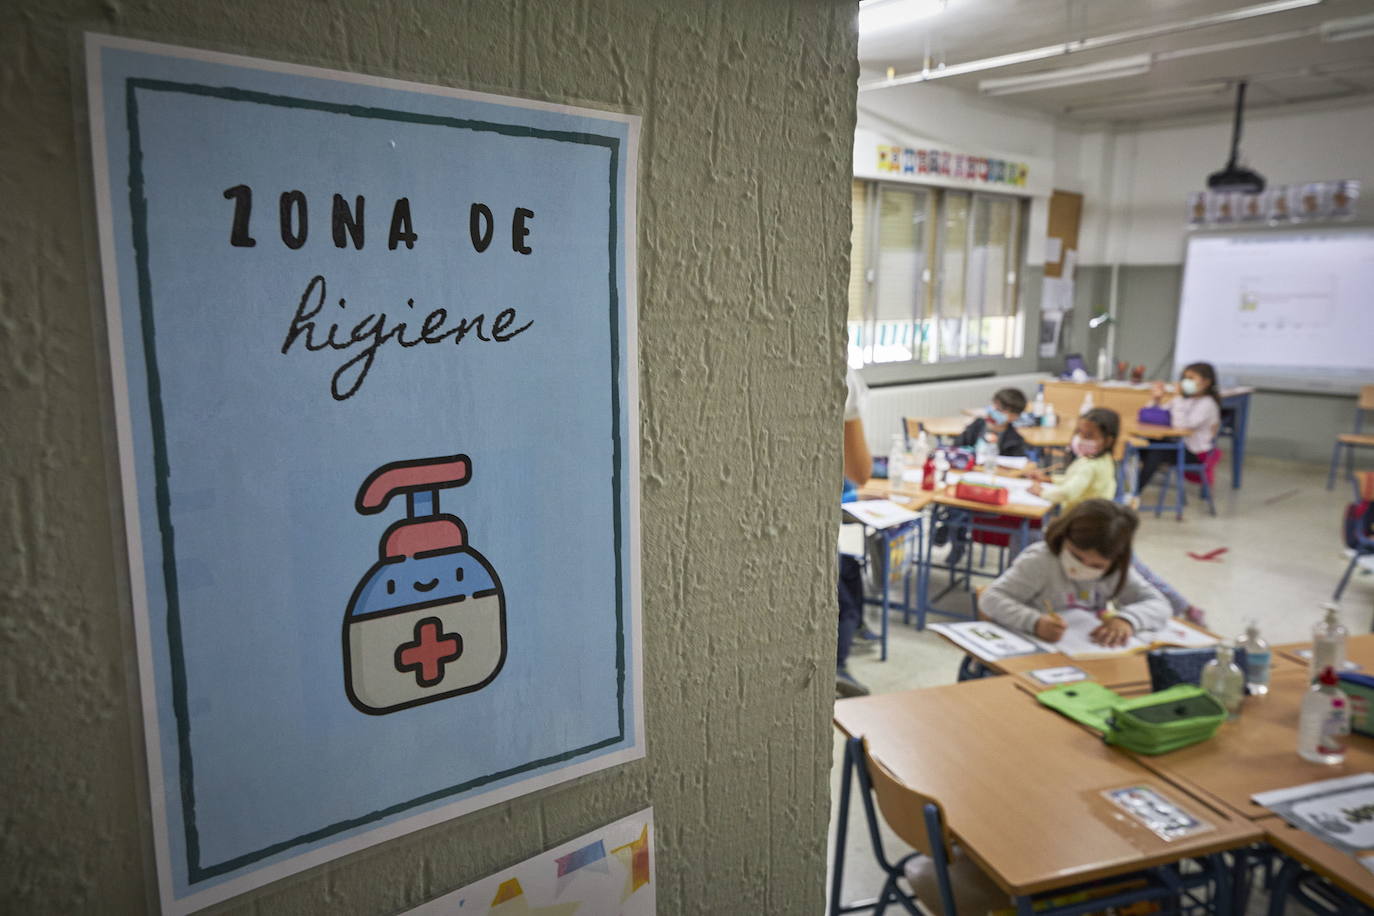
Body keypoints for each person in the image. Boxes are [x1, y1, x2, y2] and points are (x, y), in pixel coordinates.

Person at [1025, 407, 1206, 624]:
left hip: (1098, 532)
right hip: (1103, 526)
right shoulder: (1098, 460)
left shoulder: (1090, 465)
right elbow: (1071, 481)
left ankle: (1182, 607)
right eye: (1080, 433)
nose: (1082, 439)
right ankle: (1184, 606)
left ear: (1108, 440)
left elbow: (1069, 492)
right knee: (1139, 574)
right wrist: (1050, 480)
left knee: (1136, 576)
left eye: (1089, 435)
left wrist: (1042, 492)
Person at [981, 499, 1170, 647]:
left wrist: (1127, 620)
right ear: (1063, 537)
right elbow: (991, 598)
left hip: (1083, 651)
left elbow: (1159, 604)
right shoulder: (1041, 560)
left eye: (1096, 566)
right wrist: (1035, 622)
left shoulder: (1116, 570)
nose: (1082, 567)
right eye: (1076, 557)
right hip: (1031, 646)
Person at [836, 368, 871, 698]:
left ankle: (858, 628)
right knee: (840, 600)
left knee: (850, 571)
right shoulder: (843, 373)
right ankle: (837, 666)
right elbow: (860, 471)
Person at [1136, 362, 1222, 493]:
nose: (1186, 382)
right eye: (1185, 378)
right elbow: (1154, 416)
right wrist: (1156, 400)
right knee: (1139, 446)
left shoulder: (1207, 404)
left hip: (1196, 453)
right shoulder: (1185, 400)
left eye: (1191, 378)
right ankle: (1124, 489)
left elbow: (1180, 426)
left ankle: (1134, 492)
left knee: (1156, 452)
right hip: (1178, 445)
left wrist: (1178, 398)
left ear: (1206, 382)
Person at [954, 387, 1029, 458]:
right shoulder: (978, 424)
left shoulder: (1014, 440)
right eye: (994, 405)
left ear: (1014, 417)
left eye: (1000, 409)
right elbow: (957, 446)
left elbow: (1019, 461)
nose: (993, 411)